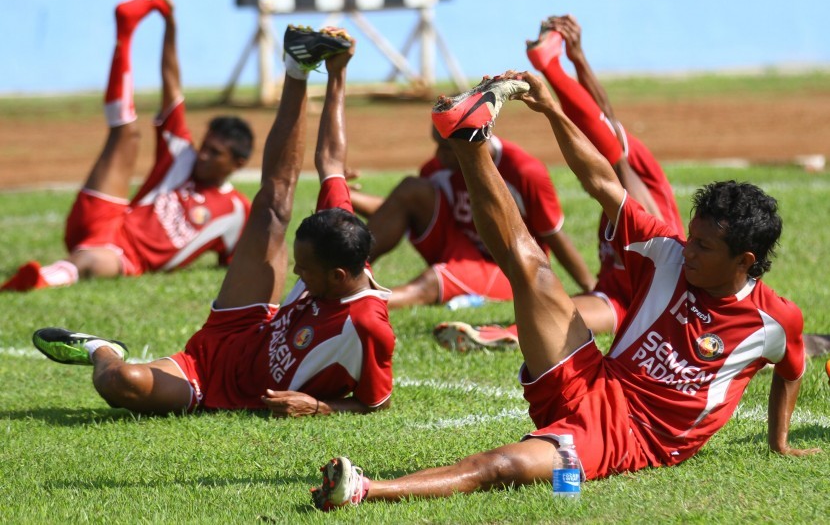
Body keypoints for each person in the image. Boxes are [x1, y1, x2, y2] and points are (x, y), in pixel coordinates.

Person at [310, 72, 819, 510]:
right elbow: (601, 180)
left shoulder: (775, 320)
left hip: (628, 437)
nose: (688, 250)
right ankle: (469, 141)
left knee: (500, 465)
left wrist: (780, 443)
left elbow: (791, 368)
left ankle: (364, 489)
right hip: (592, 373)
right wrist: (551, 109)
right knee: (530, 265)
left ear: (744, 261)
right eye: (692, 236)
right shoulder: (669, 252)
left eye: (704, 247)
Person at [31, 26, 397, 418]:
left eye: (304, 269)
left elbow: (377, 402)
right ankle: (297, 66)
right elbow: (331, 161)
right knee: (273, 207)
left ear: (339, 277)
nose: (295, 272)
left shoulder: (368, 325)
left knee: (121, 385)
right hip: (245, 322)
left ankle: (100, 348)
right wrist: (338, 74)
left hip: (210, 382)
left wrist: (319, 407)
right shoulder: (341, 231)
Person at [434, 14, 685, 350]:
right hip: (619, 295)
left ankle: (503, 334)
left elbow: (607, 138)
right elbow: (604, 120)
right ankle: (501, 333)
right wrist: (574, 60)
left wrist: (558, 88)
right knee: (611, 146)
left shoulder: (641, 204)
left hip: (650, 291)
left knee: (615, 162)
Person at [1, 0, 253, 292]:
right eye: (204, 146)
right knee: (126, 133)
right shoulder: (181, 153)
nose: (203, 155)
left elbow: (235, 260)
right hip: (108, 218)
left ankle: (38, 279)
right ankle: (125, 32)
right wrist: (170, 25)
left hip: (128, 257)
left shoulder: (237, 210)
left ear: (237, 163)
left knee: (88, 262)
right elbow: (172, 83)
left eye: (215, 153)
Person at [349, 127, 595, 311]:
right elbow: (395, 211)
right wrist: (342, 189)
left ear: (477, 140)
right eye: (437, 144)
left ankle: (358, 303)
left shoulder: (523, 171)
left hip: (508, 268)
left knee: (431, 282)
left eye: (447, 147)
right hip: (460, 247)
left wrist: (591, 290)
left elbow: (554, 235)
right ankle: (345, 270)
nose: (438, 155)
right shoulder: (437, 167)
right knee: (411, 189)